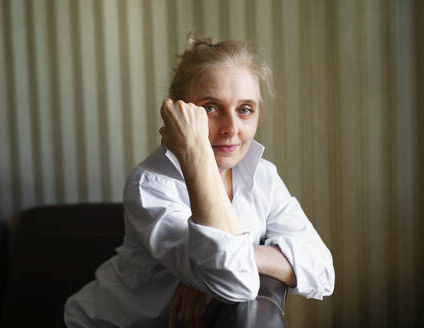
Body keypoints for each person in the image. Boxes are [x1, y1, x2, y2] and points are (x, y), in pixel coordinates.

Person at [64, 36, 335, 328]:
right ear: (179, 114)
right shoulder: (151, 185)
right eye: (210, 108)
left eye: (245, 109)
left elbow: (322, 271)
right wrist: (196, 154)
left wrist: (212, 264)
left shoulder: (263, 176)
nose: (231, 128)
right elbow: (235, 283)